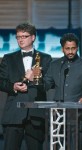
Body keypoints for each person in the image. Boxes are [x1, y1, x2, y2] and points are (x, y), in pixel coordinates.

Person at [42, 33, 82, 150]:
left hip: (77, 115)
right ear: (62, 48)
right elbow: (46, 84)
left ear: (77, 48)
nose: (70, 51)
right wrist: (36, 79)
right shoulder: (54, 65)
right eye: (67, 48)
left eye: (73, 48)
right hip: (57, 116)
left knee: (76, 146)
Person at [0, 22, 52, 150]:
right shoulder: (8, 58)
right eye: (18, 37)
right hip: (14, 113)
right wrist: (14, 86)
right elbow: (1, 81)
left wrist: (35, 79)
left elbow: (50, 83)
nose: (20, 40)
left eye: (24, 36)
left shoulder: (46, 58)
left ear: (33, 37)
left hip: (36, 113)